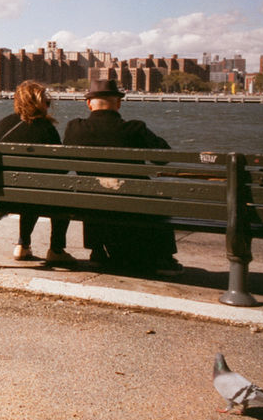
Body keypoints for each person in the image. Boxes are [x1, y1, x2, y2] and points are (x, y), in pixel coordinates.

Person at [62, 79, 183, 275]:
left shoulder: (74, 127)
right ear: (118, 103)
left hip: (90, 202)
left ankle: (98, 251)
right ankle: (164, 258)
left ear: (88, 103)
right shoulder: (134, 129)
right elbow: (164, 159)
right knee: (159, 196)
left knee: (93, 188)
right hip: (132, 202)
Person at [0, 80, 74, 264]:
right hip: (35, 195)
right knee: (53, 192)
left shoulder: (3, 125)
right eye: (46, 101)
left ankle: (23, 245)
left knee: (31, 189)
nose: (48, 105)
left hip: (2, 195)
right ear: (37, 102)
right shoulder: (46, 128)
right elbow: (63, 168)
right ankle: (56, 249)